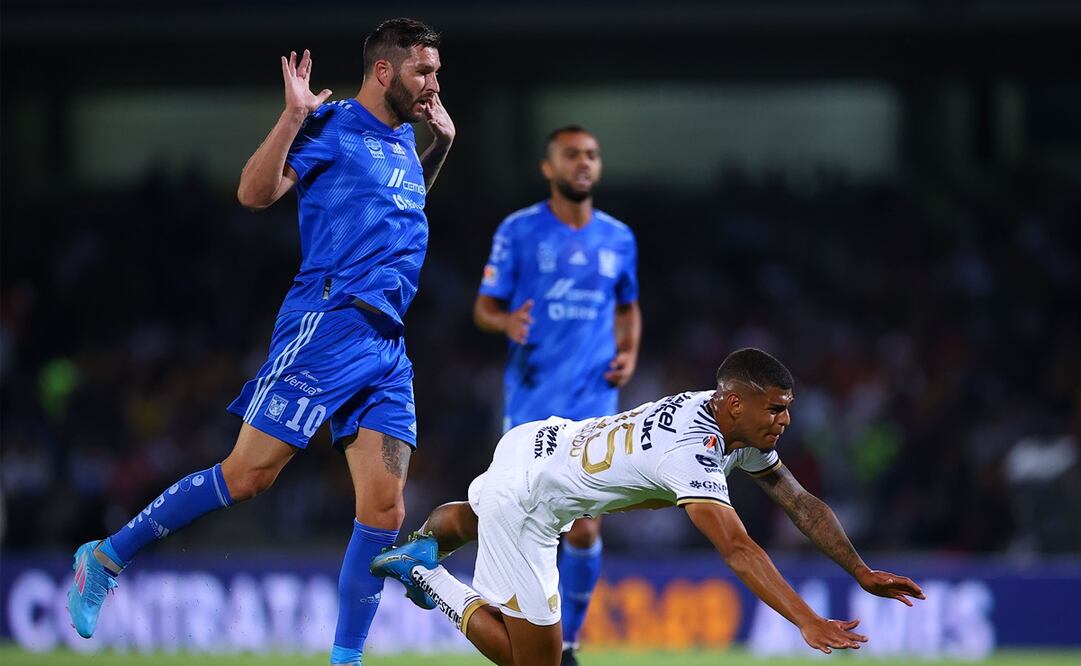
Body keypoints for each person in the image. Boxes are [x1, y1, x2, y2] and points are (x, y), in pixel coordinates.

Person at [66, 17, 455, 666]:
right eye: (423, 71)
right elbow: (254, 193)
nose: (433, 84)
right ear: (383, 70)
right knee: (248, 477)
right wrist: (292, 117)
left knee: (385, 512)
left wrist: (439, 147)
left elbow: (400, 208)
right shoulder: (331, 129)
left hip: (385, 347)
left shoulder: (400, 143)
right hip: (327, 327)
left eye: (436, 72)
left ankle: (345, 661)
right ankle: (105, 557)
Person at [371, 348, 925, 666]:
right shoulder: (692, 454)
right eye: (776, 410)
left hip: (539, 441)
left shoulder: (723, 422)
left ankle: (422, 539)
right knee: (533, 665)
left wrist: (860, 571)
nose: (784, 421)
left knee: (474, 514)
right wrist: (807, 620)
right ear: (734, 403)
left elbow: (800, 503)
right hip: (528, 502)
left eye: (788, 409)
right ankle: (423, 571)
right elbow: (736, 548)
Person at [474, 125, 640, 664]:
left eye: (591, 155)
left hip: (593, 403)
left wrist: (629, 351)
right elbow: (484, 307)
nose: (583, 164)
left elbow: (627, 306)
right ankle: (512, 628)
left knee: (585, 523)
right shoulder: (518, 231)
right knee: (519, 522)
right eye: (571, 156)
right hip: (530, 403)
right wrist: (506, 323)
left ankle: (567, 644)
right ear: (549, 168)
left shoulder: (619, 238)